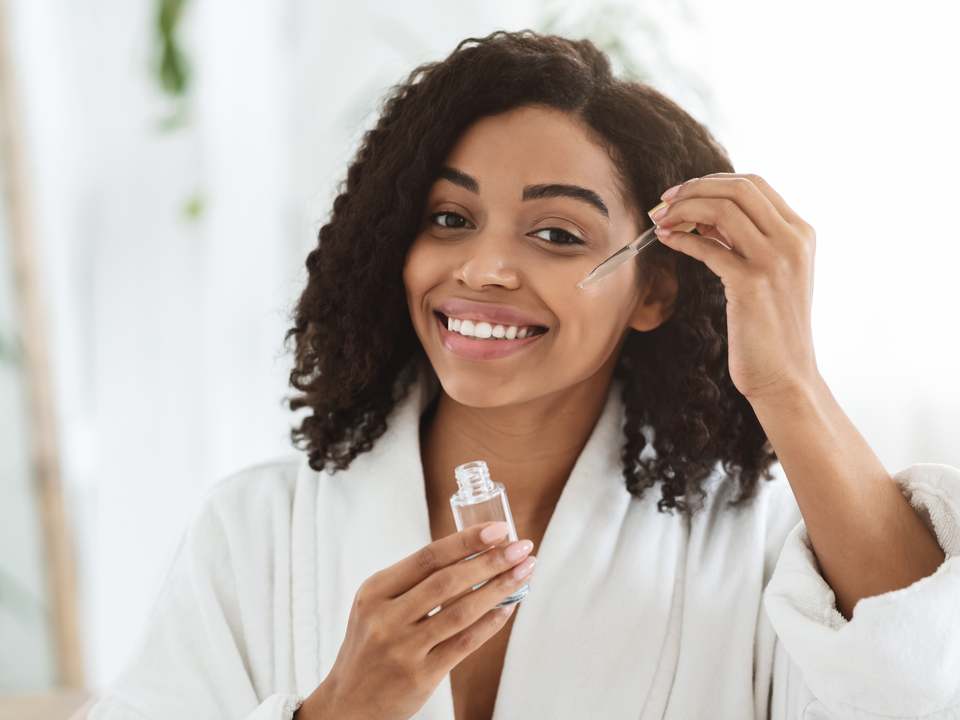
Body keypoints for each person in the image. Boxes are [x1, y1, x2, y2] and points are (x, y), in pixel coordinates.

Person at [88, 31, 960, 720]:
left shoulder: (754, 543)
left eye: (555, 234)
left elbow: (918, 689)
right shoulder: (255, 532)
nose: (486, 269)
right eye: (449, 217)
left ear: (653, 288)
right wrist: (340, 710)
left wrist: (788, 382)